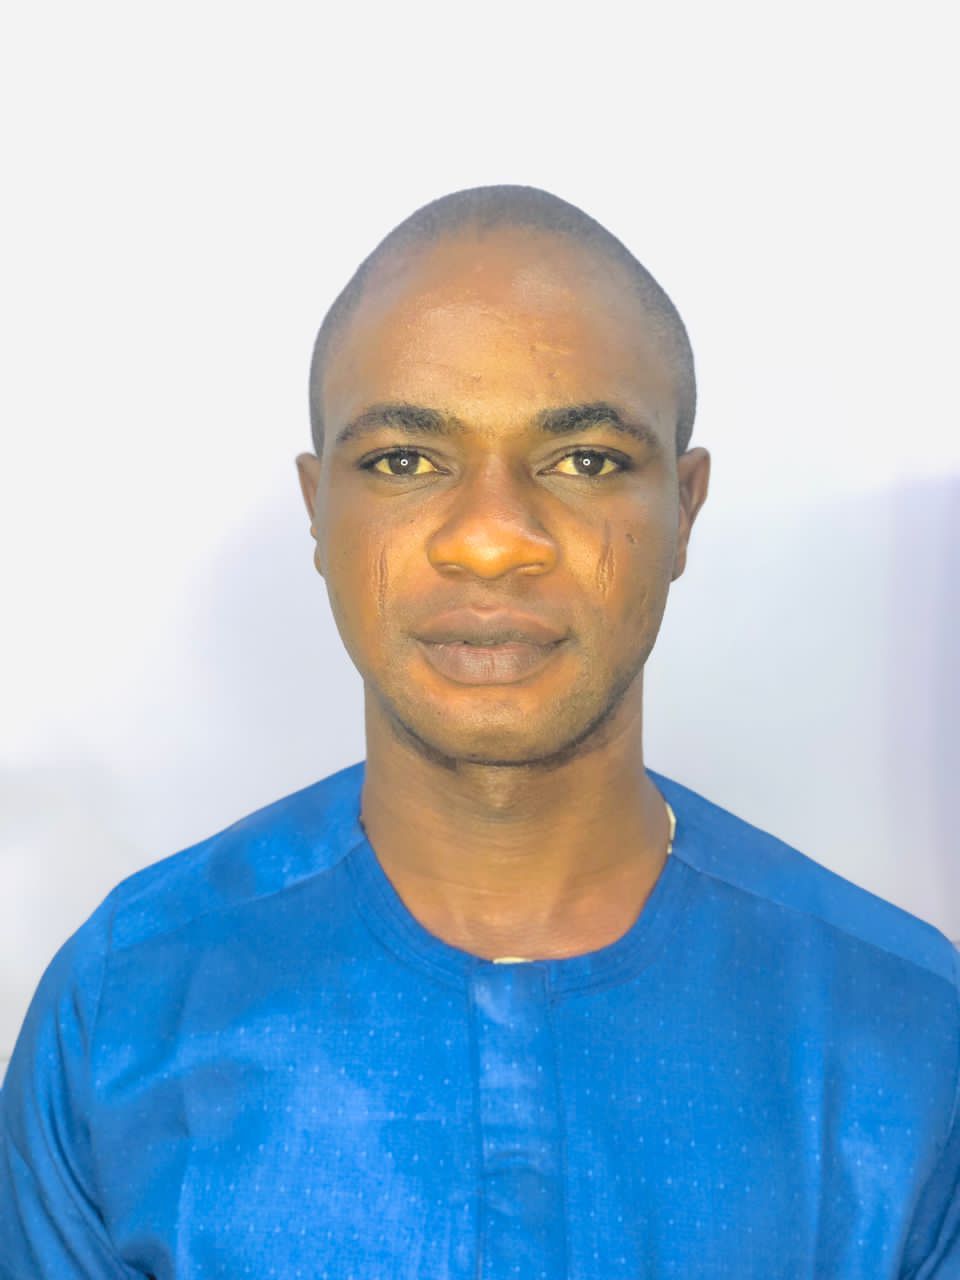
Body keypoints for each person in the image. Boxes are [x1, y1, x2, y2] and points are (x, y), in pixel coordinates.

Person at [1, 185, 957, 1279]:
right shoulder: (126, 1007)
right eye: (403, 460)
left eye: (585, 458)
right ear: (317, 509)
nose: (493, 540)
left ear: (684, 508)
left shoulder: (908, 1033)